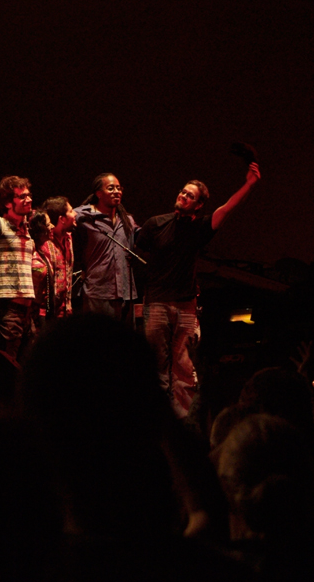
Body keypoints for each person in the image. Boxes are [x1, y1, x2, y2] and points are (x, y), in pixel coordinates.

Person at [136, 161, 261, 418]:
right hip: (157, 303)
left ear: (198, 205)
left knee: (183, 367)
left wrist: (248, 184)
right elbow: (136, 249)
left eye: (189, 196)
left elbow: (227, 209)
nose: (183, 196)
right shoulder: (155, 224)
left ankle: (184, 422)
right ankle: (158, 418)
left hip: (185, 306)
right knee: (156, 365)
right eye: (183, 192)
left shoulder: (200, 228)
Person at [73, 173, 139, 322]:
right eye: (110, 188)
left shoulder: (127, 220)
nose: (117, 191)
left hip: (125, 292)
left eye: (118, 188)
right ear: (98, 193)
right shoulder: (83, 216)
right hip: (97, 291)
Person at [0, 175, 35, 364]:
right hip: (8, 307)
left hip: (27, 310)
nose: (29, 199)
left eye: (28, 195)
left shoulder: (27, 229)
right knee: (7, 363)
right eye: (22, 196)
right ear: (9, 203)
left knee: (27, 363)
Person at [40, 196, 76, 320]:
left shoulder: (68, 239)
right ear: (62, 219)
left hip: (65, 311)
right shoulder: (44, 241)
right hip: (46, 313)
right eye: (71, 211)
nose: (75, 213)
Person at [28, 209, 55, 329]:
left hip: (44, 312)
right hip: (32, 314)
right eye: (48, 224)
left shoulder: (42, 252)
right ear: (40, 229)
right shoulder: (30, 252)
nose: (52, 227)